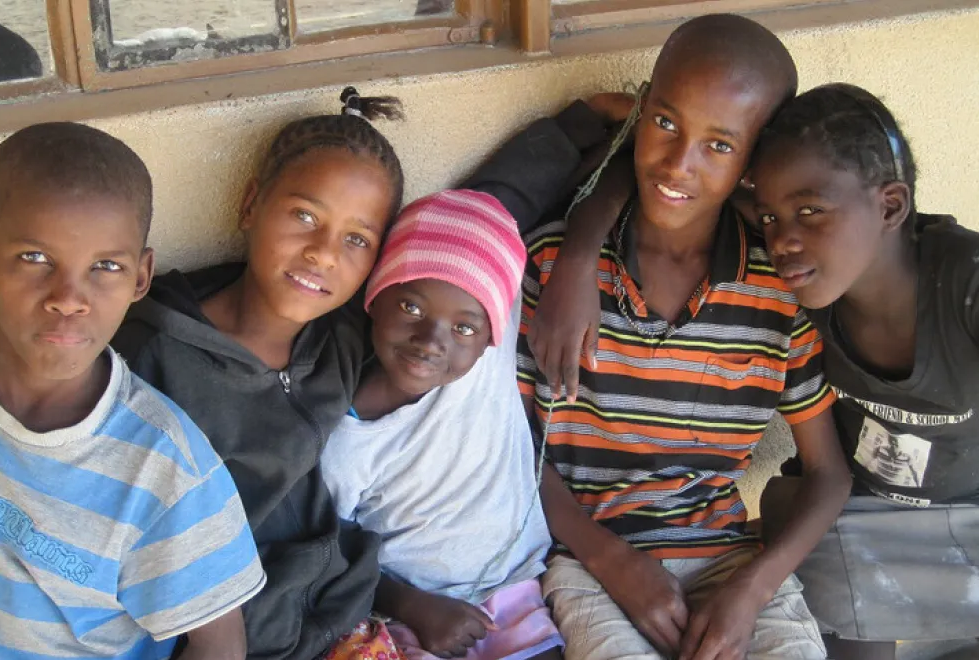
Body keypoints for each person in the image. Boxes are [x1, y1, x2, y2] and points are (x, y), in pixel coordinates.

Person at [465, 13, 853, 659]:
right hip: (587, 561)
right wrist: (611, 561)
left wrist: (754, 589)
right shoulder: (551, 270)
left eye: (719, 146)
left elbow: (829, 474)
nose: (679, 163)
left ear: (754, 163)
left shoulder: (776, 291)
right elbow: (510, 452)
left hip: (731, 563)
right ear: (641, 110)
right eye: (667, 124)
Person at [0, 122, 265, 659]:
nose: (68, 297)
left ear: (140, 278)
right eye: (36, 258)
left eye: (105, 266)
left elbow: (219, 646)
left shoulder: (165, 474)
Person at [111, 87, 405, 659]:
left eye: (356, 239)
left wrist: (576, 136)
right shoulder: (151, 355)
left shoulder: (342, 338)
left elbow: (469, 231)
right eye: (304, 216)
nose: (323, 253)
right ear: (250, 205)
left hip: (340, 617)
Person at [752, 84, 979, 660]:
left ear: (890, 206)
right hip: (858, 518)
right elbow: (688, 182)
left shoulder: (966, 289)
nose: (782, 240)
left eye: (810, 211)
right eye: (770, 217)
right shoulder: (805, 290)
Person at [320, 190, 563, 660]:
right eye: (411, 307)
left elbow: (532, 203)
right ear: (375, 297)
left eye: (464, 328)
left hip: (515, 590)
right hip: (409, 614)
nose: (431, 341)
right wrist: (412, 605)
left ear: (494, 336)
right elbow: (332, 554)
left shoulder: (488, 355)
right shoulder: (345, 442)